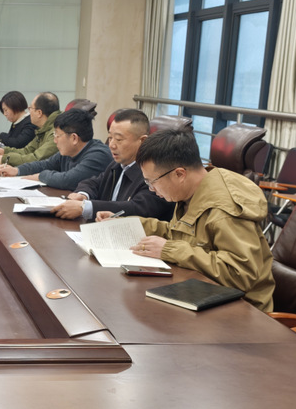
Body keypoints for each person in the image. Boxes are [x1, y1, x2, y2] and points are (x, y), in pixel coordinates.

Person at [102, 128, 274, 312]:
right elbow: (177, 232)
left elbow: (241, 274)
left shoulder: (224, 210)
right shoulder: (192, 191)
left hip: (241, 309)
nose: (151, 189)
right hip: (203, 292)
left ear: (179, 174)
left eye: (152, 182)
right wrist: (127, 224)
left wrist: (170, 250)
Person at [52, 108, 174, 221]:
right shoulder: (118, 165)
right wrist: (82, 195)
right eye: (110, 138)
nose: (111, 145)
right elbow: (94, 182)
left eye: (119, 139)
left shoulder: (154, 173)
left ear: (142, 141)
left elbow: (137, 208)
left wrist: (85, 207)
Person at [0, 107, 112, 190]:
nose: (55, 140)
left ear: (74, 138)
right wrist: (17, 170)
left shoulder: (98, 155)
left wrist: (40, 176)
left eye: (57, 135)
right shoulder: (68, 152)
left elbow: (68, 180)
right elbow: (44, 164)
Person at [0, 92, 60, 166]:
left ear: (39, 113)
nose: (29, 112)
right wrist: (5, 151)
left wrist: (5, 159)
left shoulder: (56, 132)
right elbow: (27, 151)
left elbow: (36, 158)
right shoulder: (43, 129)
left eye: (31, 108)